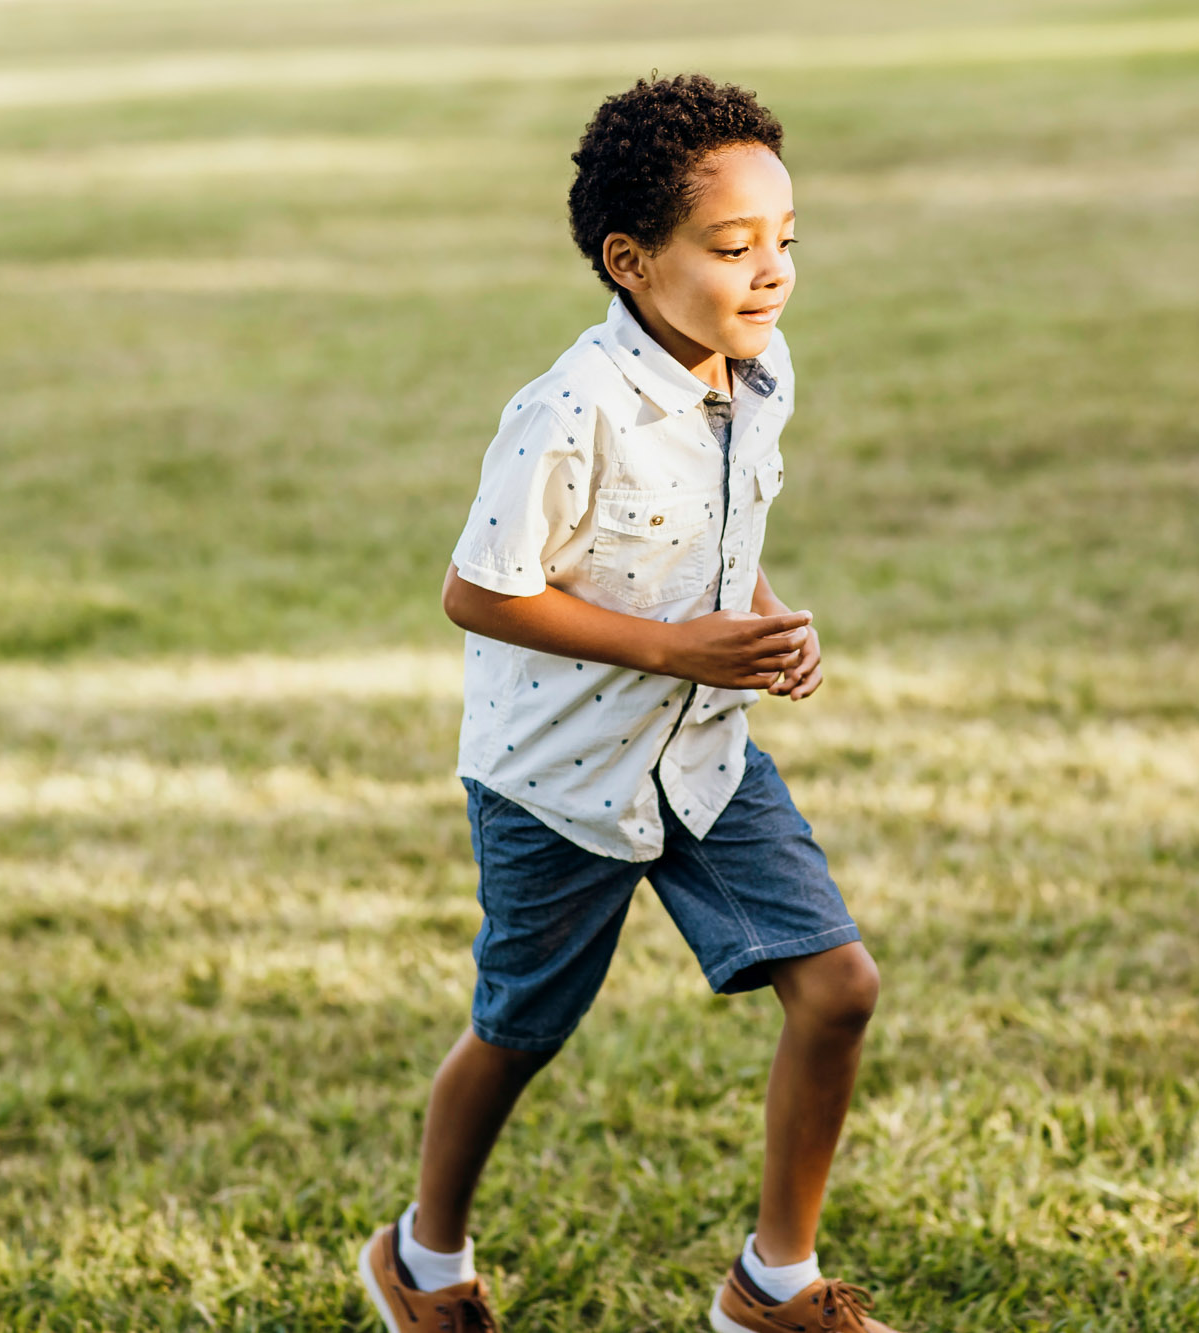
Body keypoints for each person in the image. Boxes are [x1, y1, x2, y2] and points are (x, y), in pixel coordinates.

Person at [357, 72, 897, 1333]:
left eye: (784, 244)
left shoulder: (757, 377)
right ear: (630, 258)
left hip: (705, 757)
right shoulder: (568, 410)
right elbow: (480, 593)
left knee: (840, 988)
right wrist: (675, 648)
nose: (770, 274)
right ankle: (421, 1261)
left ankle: (774, 1284)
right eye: (730, 247)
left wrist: (757, 622)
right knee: (518, 1025)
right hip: (556, 779)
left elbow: (720, 535)